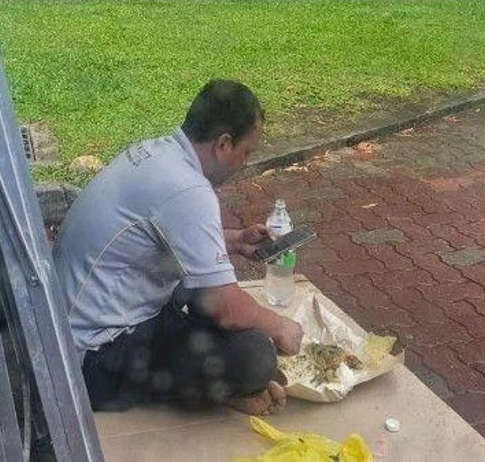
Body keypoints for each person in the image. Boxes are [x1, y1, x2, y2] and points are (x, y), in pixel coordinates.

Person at [53, 80, 304, 416]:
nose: (245, 163)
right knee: (255, 354)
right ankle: (207, 389)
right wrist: (279, 325)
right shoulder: (189, 190)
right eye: (246, 153)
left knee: (200, 293)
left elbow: (164, 238)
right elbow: (225, 308)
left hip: (79, 321)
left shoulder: (158, 153)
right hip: (88, 359)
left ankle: (212, 385)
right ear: (223, 144)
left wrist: (234, 240)